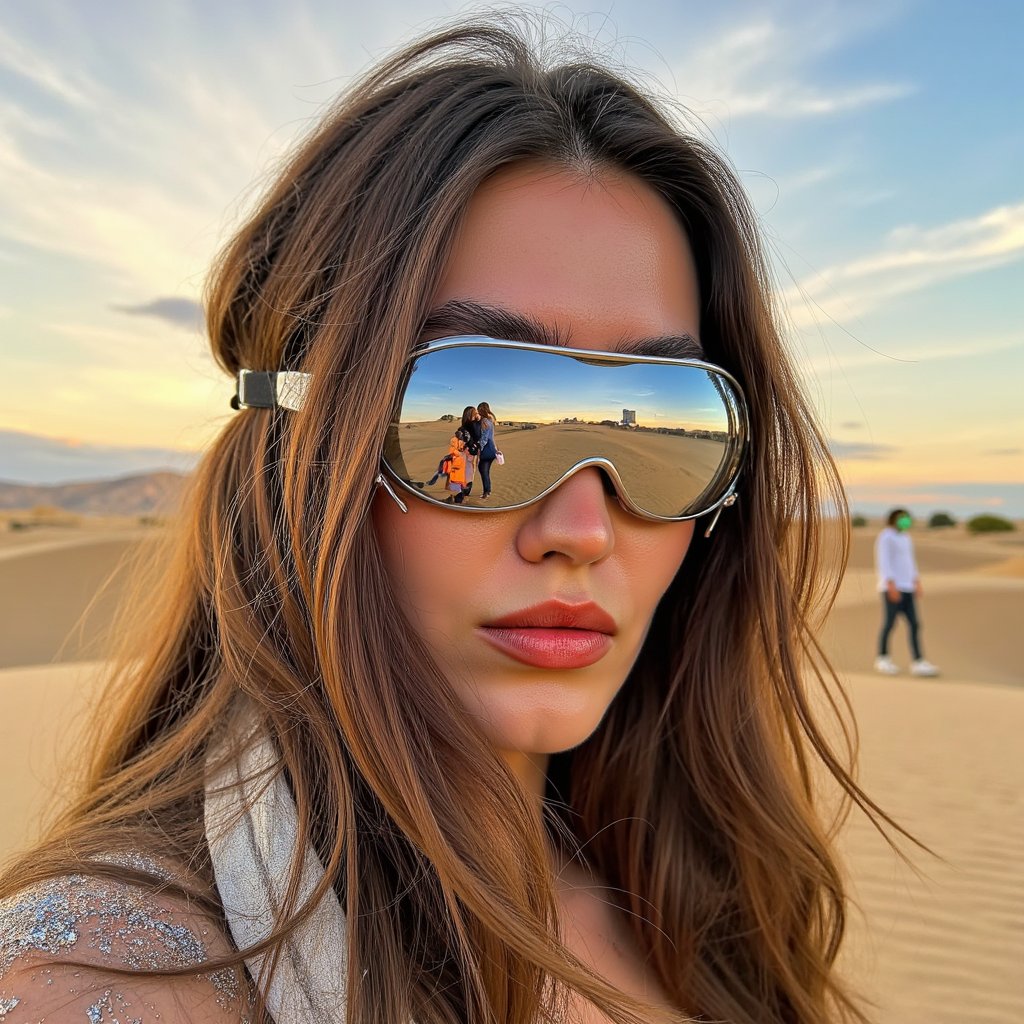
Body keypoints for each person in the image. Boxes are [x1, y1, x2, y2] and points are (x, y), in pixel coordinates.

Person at [0, 20, 884, 1024]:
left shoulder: (708, 903)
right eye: (476, 398)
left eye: (666, 425)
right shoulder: (110, 980)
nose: (583, 527)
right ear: (294, 434)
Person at [874, 509, 940, 677]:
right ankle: (883, 659)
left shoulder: (906, 537)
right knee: (890, 623)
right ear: (893, 519)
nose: (905, 521)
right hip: (892, 588)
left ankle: (918, 662)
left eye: (907, 518)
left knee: (915, 624)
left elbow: (910, 562)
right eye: (902, 518)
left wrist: (916, 581)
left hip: (908, 587)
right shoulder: (886, 536)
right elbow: (884, 561)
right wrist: (890, 584)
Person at [477, 400, 498, 499]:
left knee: (483, 470)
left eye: (478, 409)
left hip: (486, 449)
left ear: (481, 409)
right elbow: (491, 437)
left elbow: (484, 438)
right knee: (485, 470)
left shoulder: (484, 421)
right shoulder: (491, 420)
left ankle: (487, 492)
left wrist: (479, 449)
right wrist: (495, 449)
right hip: (492, 449)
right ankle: (487, 490)